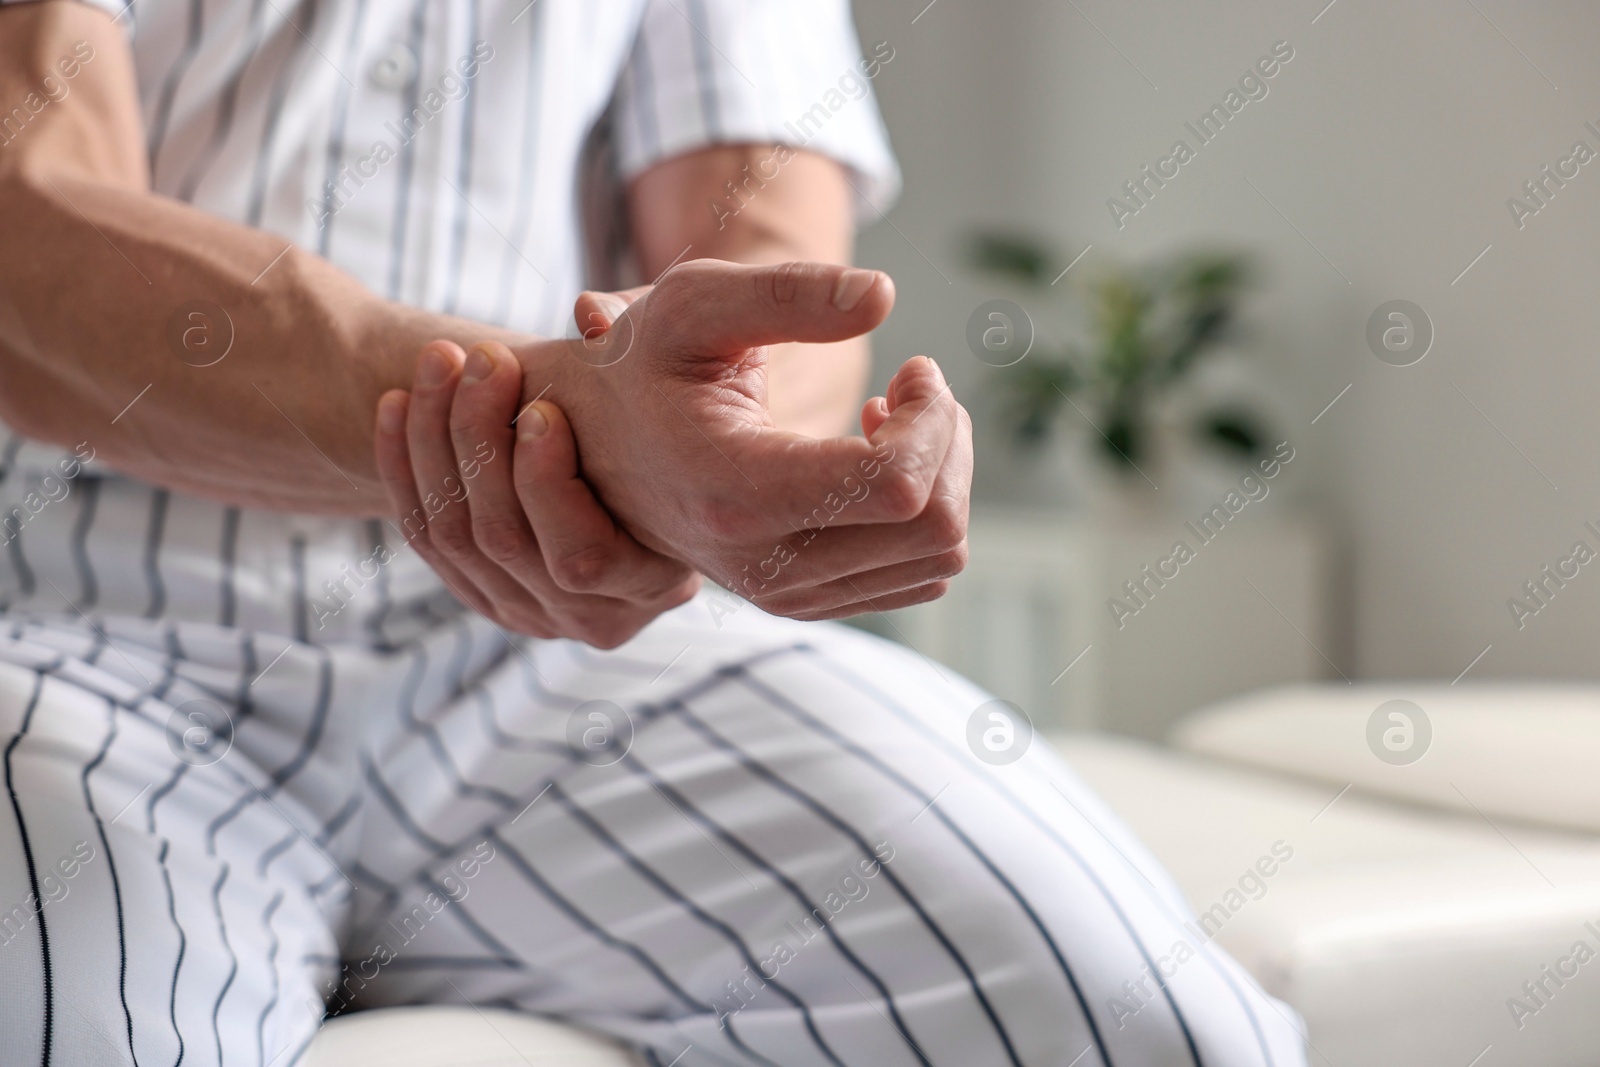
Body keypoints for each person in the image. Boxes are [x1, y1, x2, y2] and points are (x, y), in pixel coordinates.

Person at [0, 1, 1308, 1064]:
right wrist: (544, 428)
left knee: (1148, 1025)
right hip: (73, 633)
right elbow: (30, 221)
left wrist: (720, 460)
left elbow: (769, 243)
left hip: (560, 644)